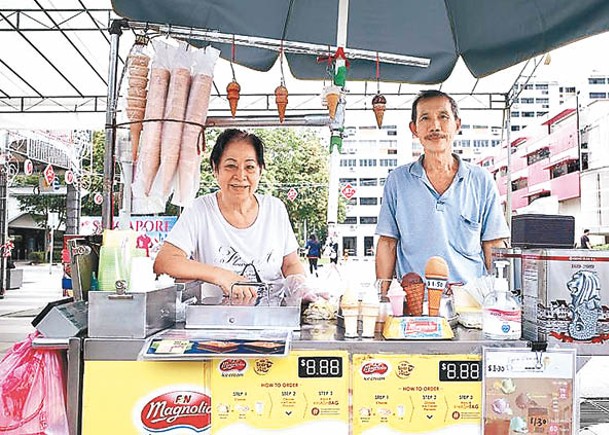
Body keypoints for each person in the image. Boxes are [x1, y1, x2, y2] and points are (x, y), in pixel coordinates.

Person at [154, 129, 311, 302]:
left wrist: (299, 286)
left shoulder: (275, 208)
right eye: (231, 166)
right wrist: (220, 275)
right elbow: (164, 262)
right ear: (216, 169)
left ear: (260, 170)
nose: (240, 176)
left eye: (250, 167)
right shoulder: (199, 210)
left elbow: (290, 263)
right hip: (217, 318)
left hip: (272, 315)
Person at [375, 90, 510, 287]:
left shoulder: (481, 180)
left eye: (443, 117)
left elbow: (493, 244)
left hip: (470, 301)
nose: (435, 126)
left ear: (457, 124)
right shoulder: (397, 181)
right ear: (414, 129)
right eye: (425, 118)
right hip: (413, 300)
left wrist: (497, 299)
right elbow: (387, 243)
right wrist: (383, 297)